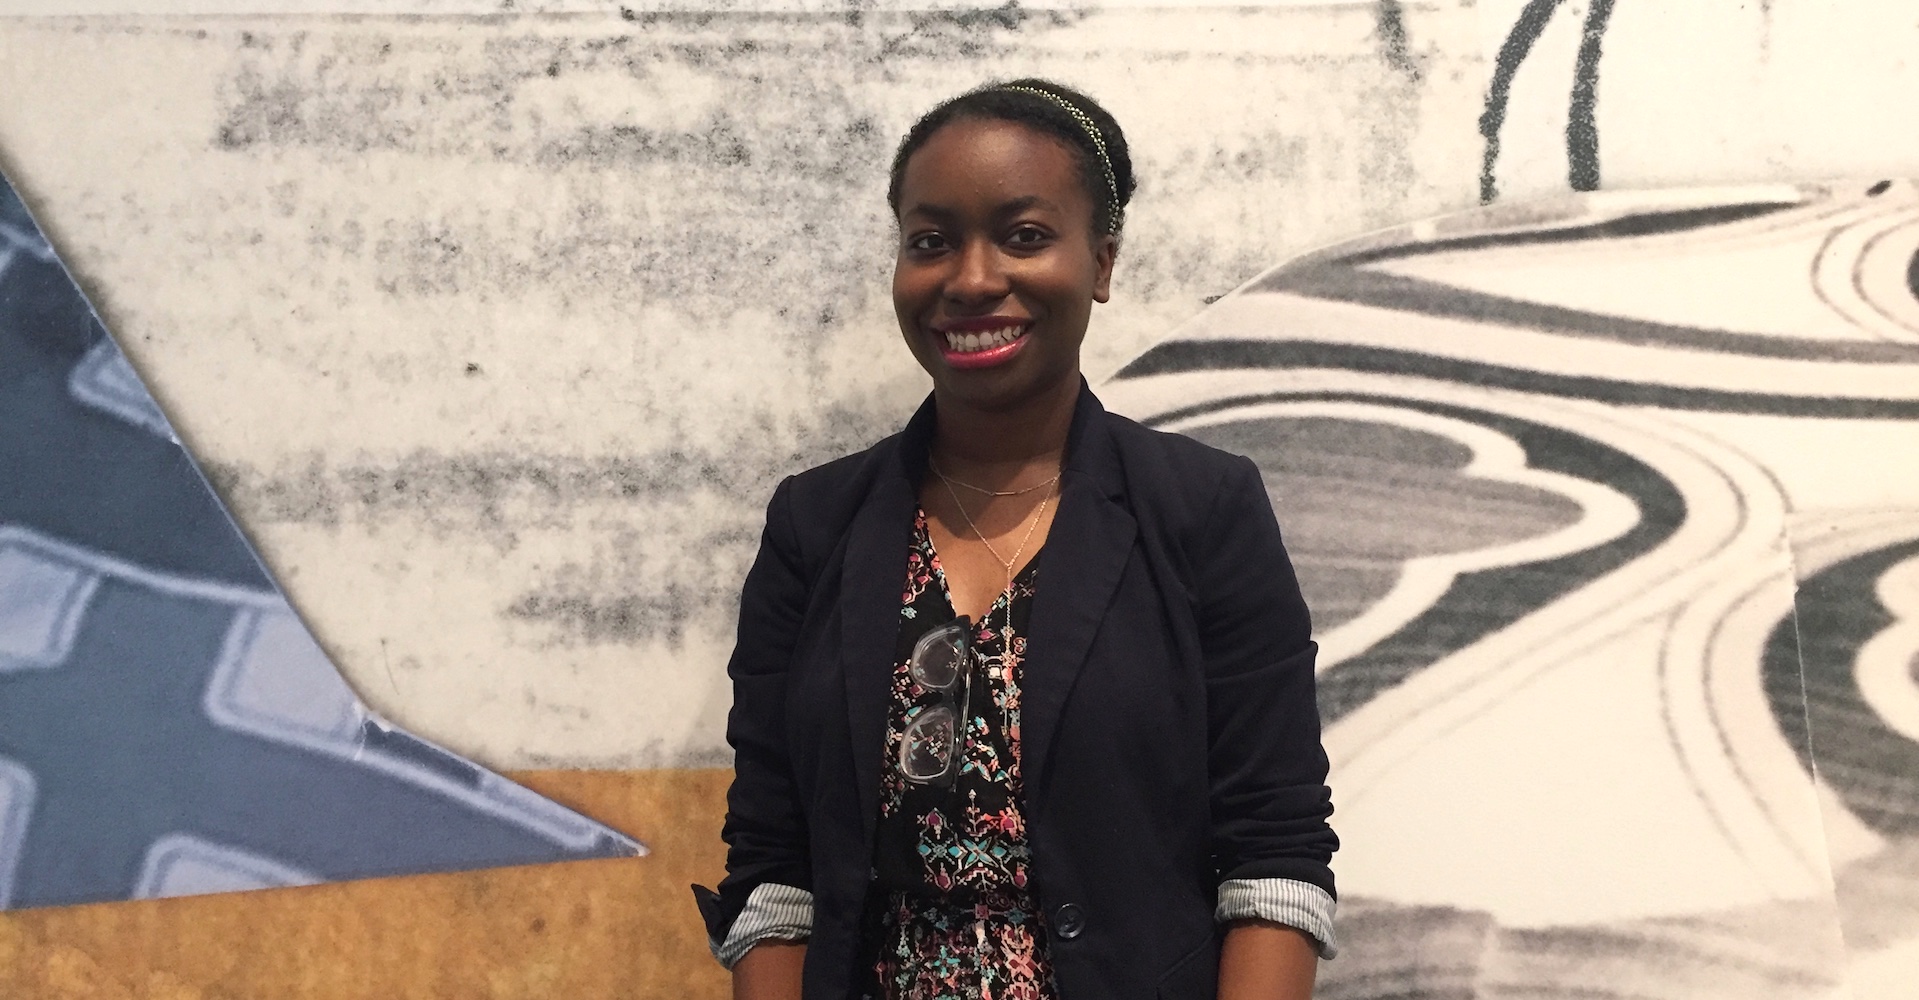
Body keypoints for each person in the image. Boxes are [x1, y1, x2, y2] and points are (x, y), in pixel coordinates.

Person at [694, 79, 1337, 1000]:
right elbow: (774, 865)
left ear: (1101, 263)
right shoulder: (814, 525)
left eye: (1023, 235)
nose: (970, 277)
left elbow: (1273, 857)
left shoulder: (1203, 510)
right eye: (931, 241)